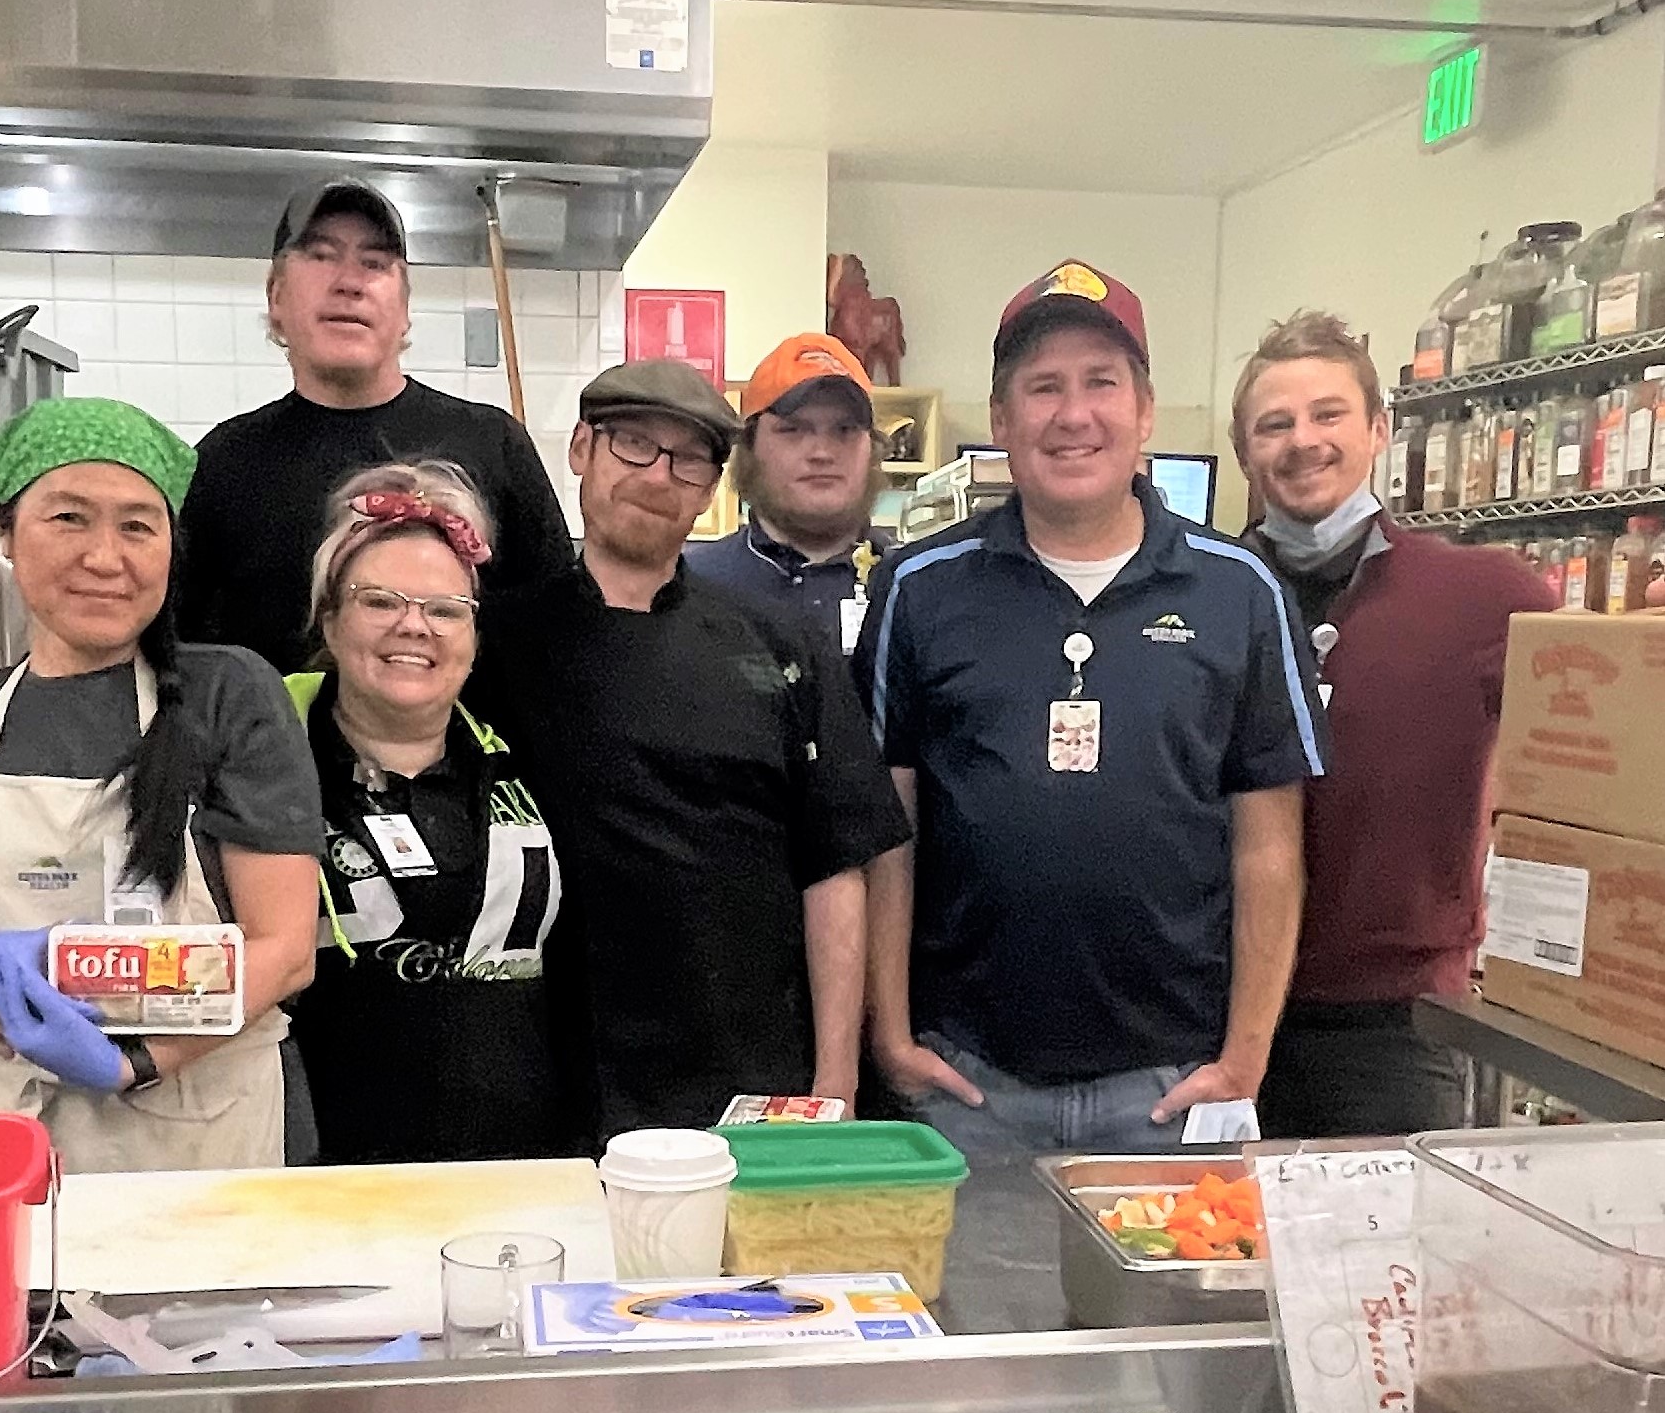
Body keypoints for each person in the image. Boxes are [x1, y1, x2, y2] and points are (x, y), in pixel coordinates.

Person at [853, 263, 1326, 1155]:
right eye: (1042, 387)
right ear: (1000, 421)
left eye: (1100, 383)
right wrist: (892, 1035)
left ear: (1144, 411)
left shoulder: (1241, 591)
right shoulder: (918, 590)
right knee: (957, 1303)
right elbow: (890, 827)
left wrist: (1246, 1055)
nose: (1073, 415)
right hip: (966, 1087)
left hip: (1171, 1089)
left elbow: (1269, 843)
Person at [475, 358, 911, 1137]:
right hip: (549, 1072)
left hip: (747, 1071)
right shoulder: (493, 644)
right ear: (580, 449)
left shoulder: (783, 644)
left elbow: (835, 865)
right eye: (632, 444)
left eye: (686, 459)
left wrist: (836, 1080)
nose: (656, 474)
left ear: (712, 485)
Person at [0, 398, 323, 1173]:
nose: (104, 556)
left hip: (214, 1125)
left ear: (169, 547)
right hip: (26, 1135)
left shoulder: (230, 694)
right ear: (6, 536)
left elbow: (286, 950)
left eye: (136, 525)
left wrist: (134, 1061)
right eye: (68, 518)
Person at [1233, 310, 1554, 1138]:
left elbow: (1597, 735)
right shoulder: (1203, 598)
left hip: (1393, 1026)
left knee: (1384, 1266)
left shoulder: (1484, 596)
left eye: (1327, 414)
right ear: (1245, 453)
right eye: (1274, 424)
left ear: (1378, 429)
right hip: (1212, 1011)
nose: (1302, 441)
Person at [284, 460, 570, 1163]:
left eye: (445, 610)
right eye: (381, 601)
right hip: (324, 1174)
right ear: (330, 615)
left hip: (519, 1168)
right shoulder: (268, 765)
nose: (415, 627)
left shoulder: (527, 757)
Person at [178, 177, 573, 673]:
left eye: (374, 263)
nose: (349, 282)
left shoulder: (493, 445)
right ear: (276, 297)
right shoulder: (222, 464)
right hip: (273, 750)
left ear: (404, 308)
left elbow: (557, 639)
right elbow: (182, 657)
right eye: (321, 256)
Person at [685, 331, 887, 652]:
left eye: (845, 430)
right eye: (793, 430)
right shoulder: (690, 589)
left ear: (873, 449)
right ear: (749, 448)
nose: (821, 452)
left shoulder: (914, 589)